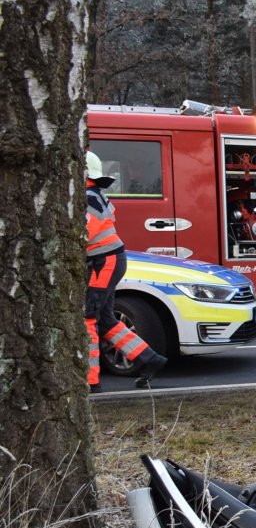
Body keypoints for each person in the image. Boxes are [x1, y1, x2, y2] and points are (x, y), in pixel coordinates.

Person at [84, 151, 166, 391]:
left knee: (88, 317)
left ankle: (90, 380)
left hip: (103, 262)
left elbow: (82, 235)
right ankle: (149, 359)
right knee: (105, 319)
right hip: (108, 260)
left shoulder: (87, 199)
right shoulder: (95, 195)